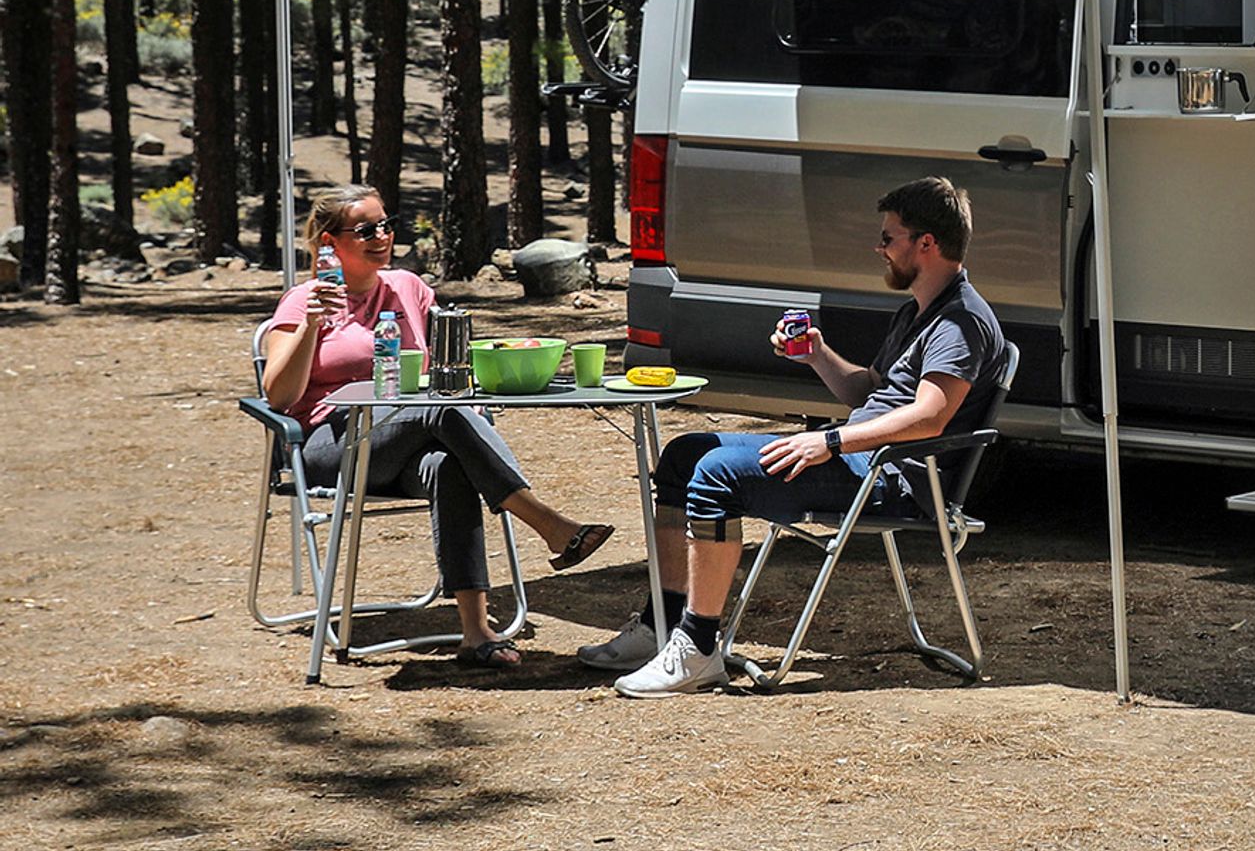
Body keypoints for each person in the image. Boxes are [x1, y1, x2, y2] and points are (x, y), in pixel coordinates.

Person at [586, 176, 1008, 696]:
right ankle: (662, 624)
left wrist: (828, 443)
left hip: (892, 477)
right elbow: (867, 391)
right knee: (683, 454)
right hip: (862, 458)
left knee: (716, 476)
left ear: (927, 243)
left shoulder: (960, 322)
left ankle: (697, 650)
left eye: (889, 238)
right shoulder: (918, 311)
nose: (880, 249)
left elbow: (929, 418)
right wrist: (815, 352)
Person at [261, 185, 614, 670]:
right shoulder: (304, 301)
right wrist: (311, 328)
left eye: (386, 225)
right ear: (329, 241)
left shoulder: (408, 288)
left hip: (406, 441)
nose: (381, 236)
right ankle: (549, 525)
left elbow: (448, 366)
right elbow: (278, 396)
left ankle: (475, 632)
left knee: (451, 462)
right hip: (331, 444)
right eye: (366, 229)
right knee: (442, 410)